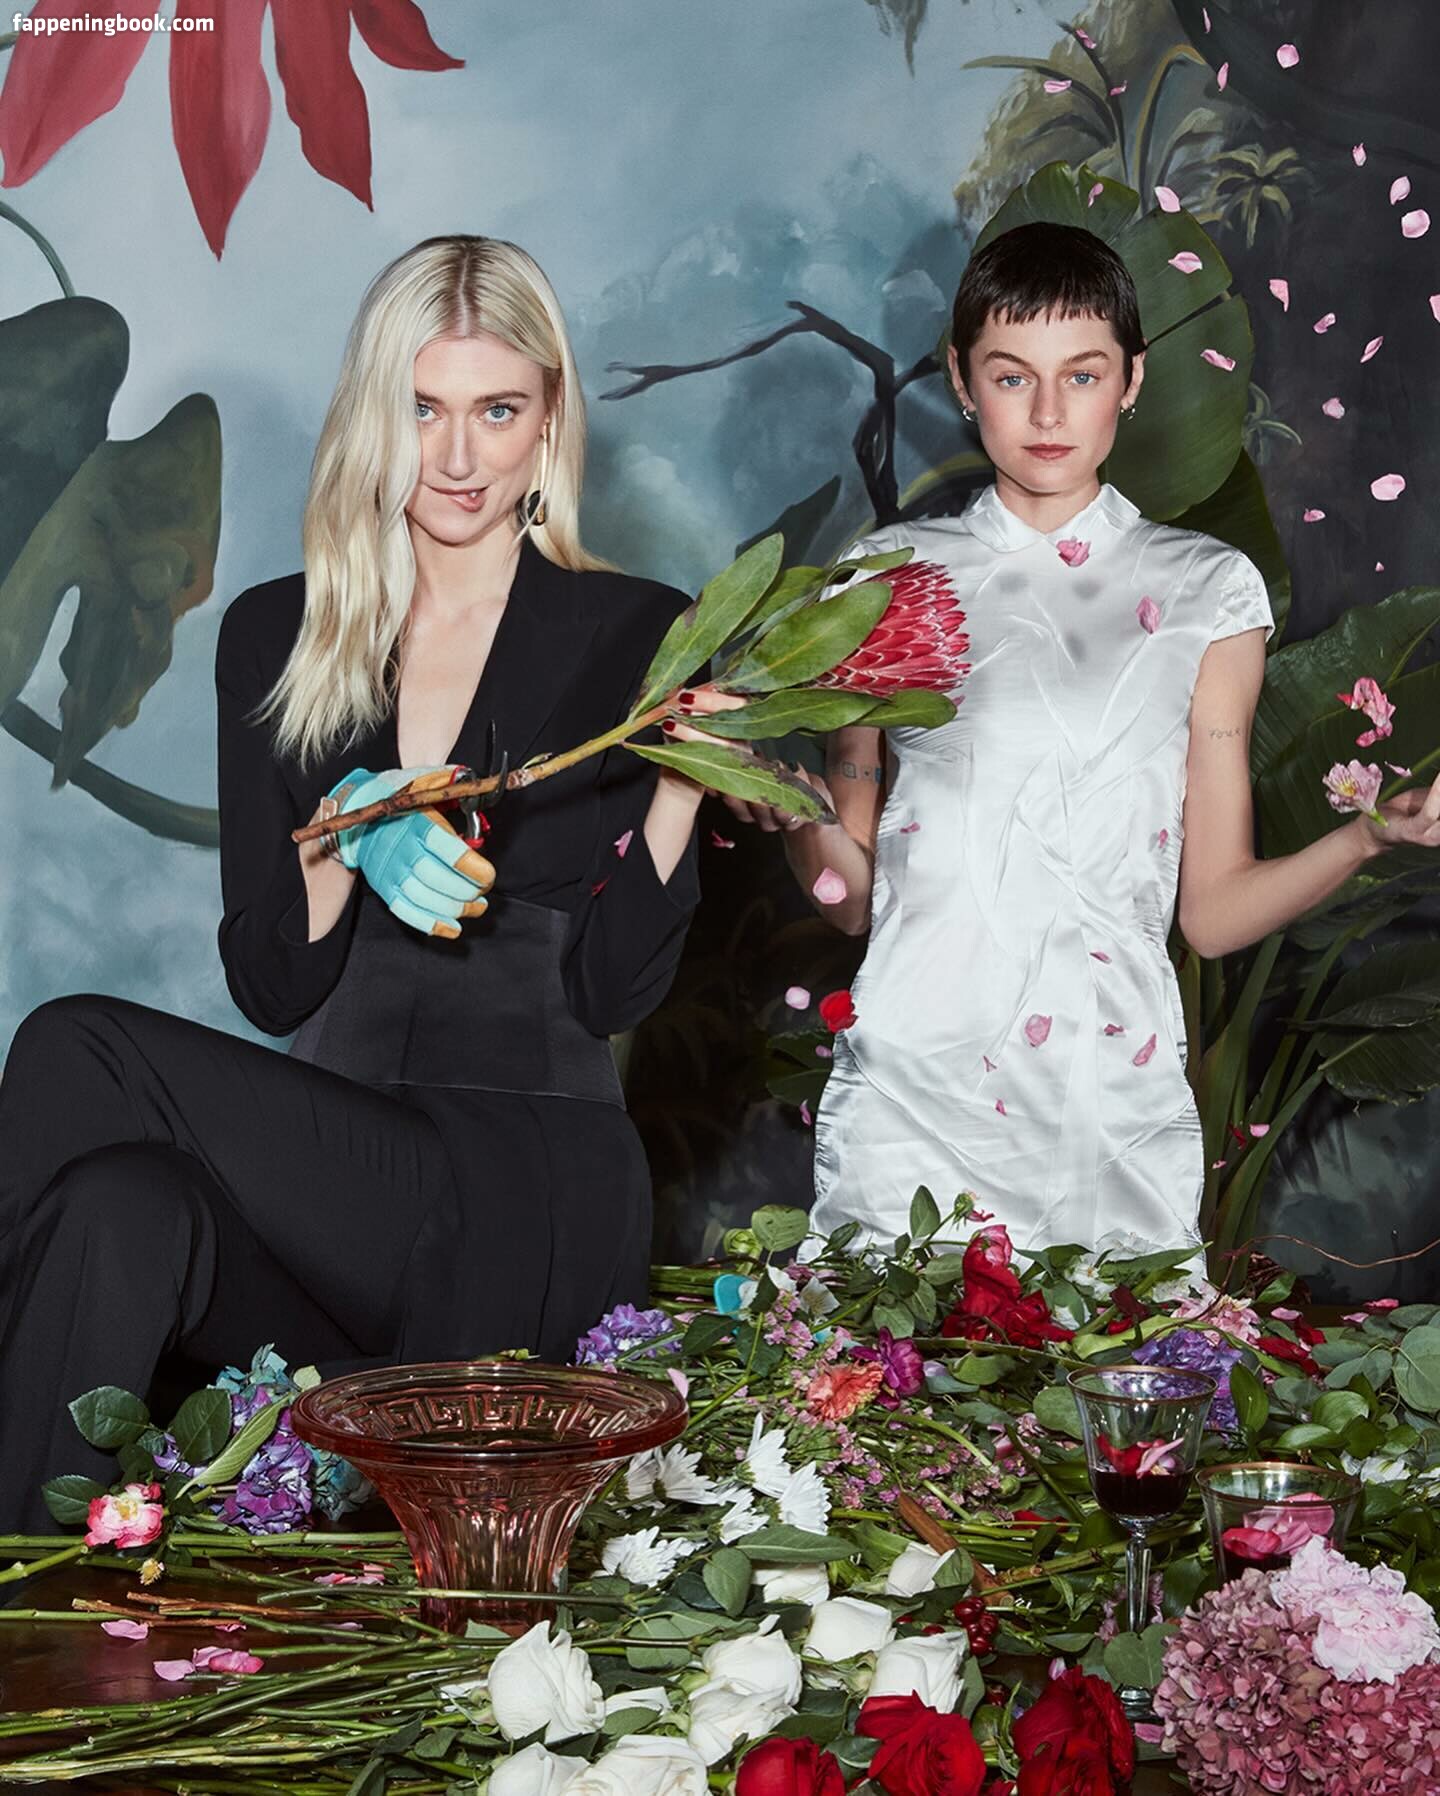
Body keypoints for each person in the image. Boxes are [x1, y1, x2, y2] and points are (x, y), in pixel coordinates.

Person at [0, 236, 709, 1530]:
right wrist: (339, 835)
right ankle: (22, 1593)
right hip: (339, 1214)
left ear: (549, 417)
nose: (458, 455)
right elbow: (272, 983)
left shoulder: (635, 633)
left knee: (70, 1043)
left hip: (522, 1194)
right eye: (422, 409)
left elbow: (617, 990)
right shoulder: (277, 636)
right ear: (372, 416)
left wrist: (683, 786)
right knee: (119, 1204)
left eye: (497, 410)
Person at [722, 221, 1440, 1260]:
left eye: (1083, 374)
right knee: (889, 1361)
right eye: (1013, 376)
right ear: (963, 381)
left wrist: (1367, 837)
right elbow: (854, 903)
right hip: (914, 1100)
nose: (1049, 413)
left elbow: (1214, 915)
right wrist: (797, 811)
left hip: (1105, 1109)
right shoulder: (884, 579)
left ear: (1132, 380)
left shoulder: (1207, 590)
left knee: (1108, 1363)